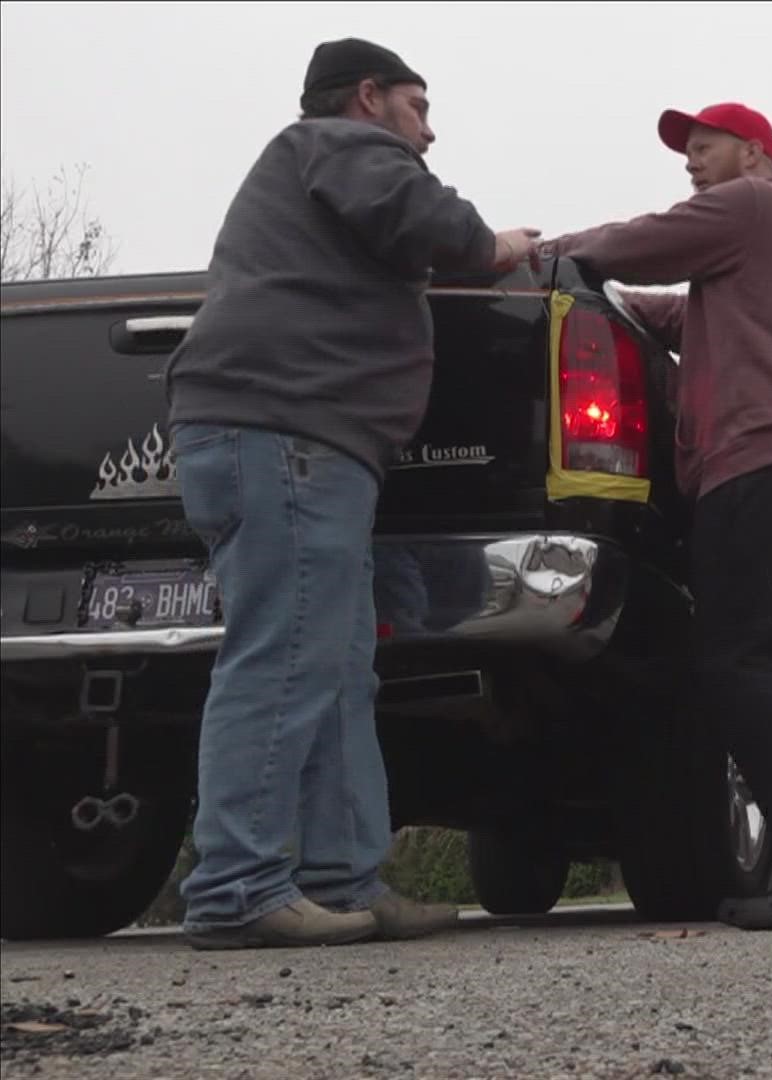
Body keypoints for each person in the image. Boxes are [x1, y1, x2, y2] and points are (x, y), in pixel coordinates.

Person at [163, 37, 540, 950]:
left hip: (298, 442)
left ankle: (345, 881)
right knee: (287, 656)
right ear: (368, 96)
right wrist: (501, 246)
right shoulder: (340, 146)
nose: (429, 130)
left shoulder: (314, 172)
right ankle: (237, 888)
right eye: (418, 108)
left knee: (334, 668)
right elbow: (440, 229)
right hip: (284, 437)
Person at [541, 103, 772, 929]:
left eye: (704, 148)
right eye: (686, 153)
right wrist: (621, 302)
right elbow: (680, 312)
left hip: (758, 460)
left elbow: (636, 238)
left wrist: (537, 254)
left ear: (754, 153)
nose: (691, 163)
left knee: (745, 666)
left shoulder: (755, 204)